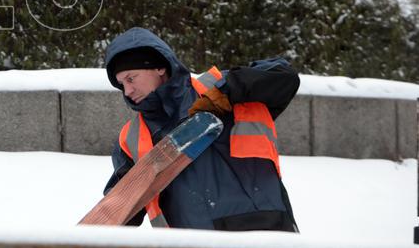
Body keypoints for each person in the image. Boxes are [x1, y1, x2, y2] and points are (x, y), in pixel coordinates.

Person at [103, 27, 300, 231]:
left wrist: (227, 92)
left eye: (131, 78)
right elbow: (119, 211)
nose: (127, 91)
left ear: (159, 67)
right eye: (121, 84)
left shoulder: (215, 87)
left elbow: (284, 76)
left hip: (265, 233)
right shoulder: (131, 138)